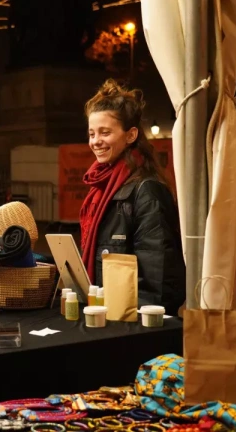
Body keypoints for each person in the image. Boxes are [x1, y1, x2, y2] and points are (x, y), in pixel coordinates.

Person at [79, 79, 185, 315]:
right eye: (92, 133)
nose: (95, 141)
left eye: (105, 132)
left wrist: (135, 324)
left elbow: (159, 280)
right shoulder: (102, 187)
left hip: (131, 320)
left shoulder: (147, 190)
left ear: (131, 135)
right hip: (105, 311)